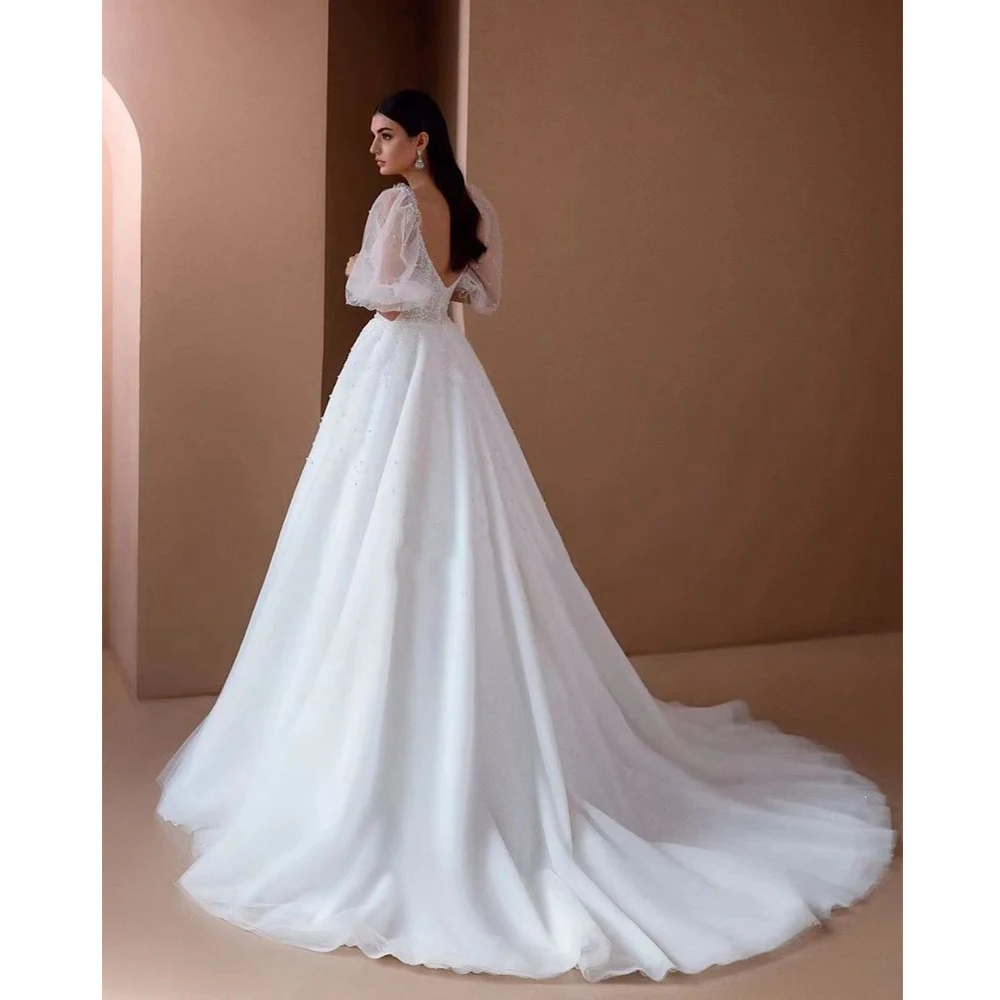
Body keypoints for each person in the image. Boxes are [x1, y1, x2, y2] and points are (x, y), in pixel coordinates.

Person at [155, 89, 895, 982]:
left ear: (420, 139)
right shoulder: (472, 206)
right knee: (460, 533)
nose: (375, 150)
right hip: (448, 374)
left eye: (386, 136)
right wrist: (424, 281)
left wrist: (359, 265)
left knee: (371, 537)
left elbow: (380, 301)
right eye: (374, 138)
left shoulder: (394, 208)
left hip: (393, 371)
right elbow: (481, 294)